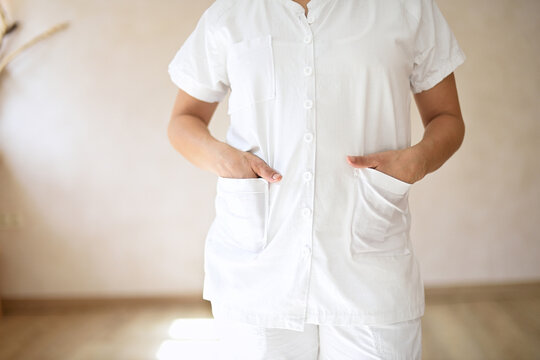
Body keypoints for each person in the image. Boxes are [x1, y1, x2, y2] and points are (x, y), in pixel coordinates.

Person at [167, 0, 466, 358]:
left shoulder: (407, 8)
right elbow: (183, 120)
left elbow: (446, 117)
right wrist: (226, 161)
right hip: (258, 266)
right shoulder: (230, 13)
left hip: (370, 263)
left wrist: (416, 162)